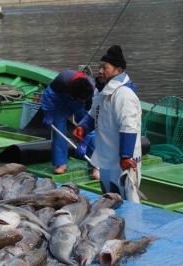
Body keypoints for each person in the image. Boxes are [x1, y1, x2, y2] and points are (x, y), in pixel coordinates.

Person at [73, 45, 142, 198]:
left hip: (123, 162)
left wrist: (125, 156)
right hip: (105, 157)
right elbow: (93, 113)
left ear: (118, 70)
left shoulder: (124, 95)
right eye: (100, 67)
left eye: (105, 68)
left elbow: (129, 127)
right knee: (108, 197)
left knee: (128, 198)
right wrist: (83, 127)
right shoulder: (102, 91)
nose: (100, 71)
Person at [41, 69, 99, 178]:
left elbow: (91, 123)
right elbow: (49, 95)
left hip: (82, 106)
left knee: (90, 133)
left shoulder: (93, 93)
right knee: (58, 127)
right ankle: (61, 163)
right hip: (62, 102)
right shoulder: (63, 79)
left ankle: (95, 165)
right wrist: (48, 112)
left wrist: (84, 143)